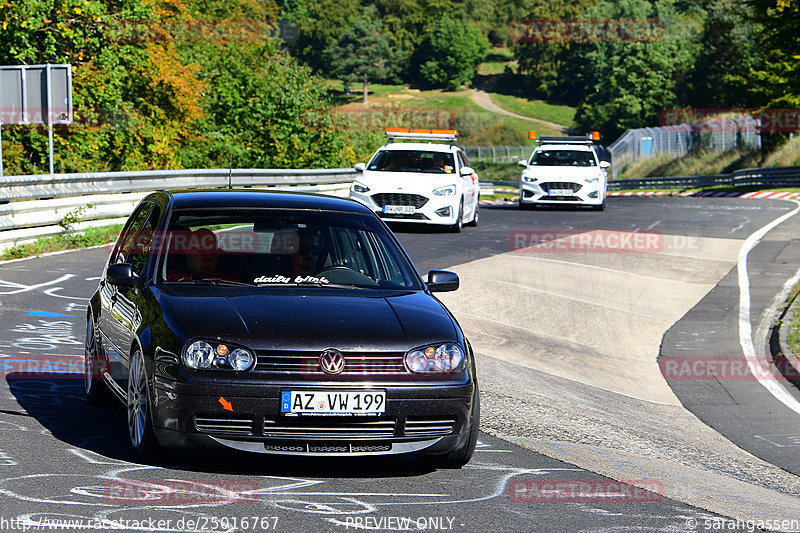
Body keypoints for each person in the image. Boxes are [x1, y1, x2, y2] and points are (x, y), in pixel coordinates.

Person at [166, 228, 239, 281]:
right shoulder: (171, 280)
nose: (208, 257)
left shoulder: (228, 281)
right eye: (202, 251)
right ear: (189, 251)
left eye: (212, 252)